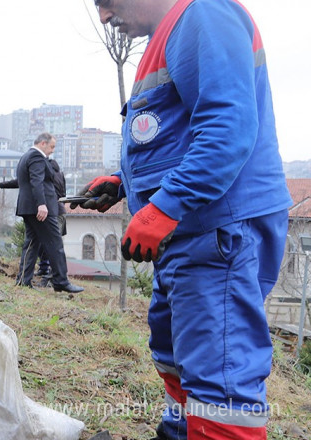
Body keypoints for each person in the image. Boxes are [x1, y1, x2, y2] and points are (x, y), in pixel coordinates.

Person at [76, 1, 292, 438]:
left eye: (104, 1)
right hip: (190, 234)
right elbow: (178, 137)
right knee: (177, 362)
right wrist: (124, 184)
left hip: (216, 232)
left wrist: (164, 206)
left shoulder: (204, 14)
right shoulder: (171, 33)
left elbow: (227, 128)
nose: (103, 17)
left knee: (221, 389)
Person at [0, 133, 83, 293]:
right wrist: (42, 204)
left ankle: (23, 280)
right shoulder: (37, 157)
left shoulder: (26, 156)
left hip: (29, 208)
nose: (52, 151)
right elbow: (36, 181)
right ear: (42, 143)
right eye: (52, 147)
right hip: (40, 208)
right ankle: (61, 281)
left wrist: (0, 184)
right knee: (55, 242)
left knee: (31, 244)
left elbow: (21, 181)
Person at [35, 156, 67, 278]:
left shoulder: (47, 176)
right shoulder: (61, 174)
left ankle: (49, 271)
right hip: (60, 210)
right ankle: (45, 268)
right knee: (51, 242)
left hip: (52, 211)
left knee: (49, 243)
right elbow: (63, 194)